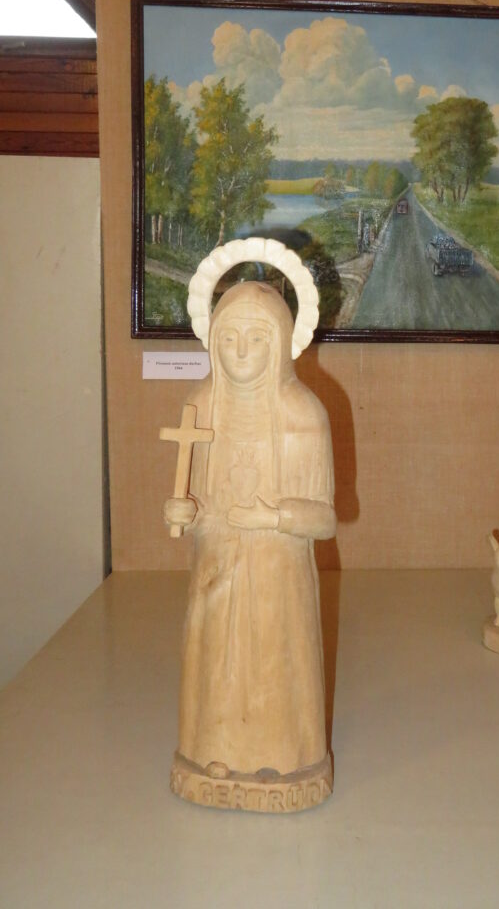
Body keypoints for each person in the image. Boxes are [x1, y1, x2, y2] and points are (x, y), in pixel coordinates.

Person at [164, 280, 336, 807]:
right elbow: (196, 502)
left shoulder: (303, 414)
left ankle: (284, 757)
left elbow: (325, 519)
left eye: (256, 338)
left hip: (277, 575)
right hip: (217, 570)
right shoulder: (201, 406)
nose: (240, 351)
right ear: (212, 340)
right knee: (219, 664)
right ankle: (214, 751)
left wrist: (275, 517)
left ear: (280, 342)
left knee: (274, 662)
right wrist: (187, 512)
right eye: (229, 337)